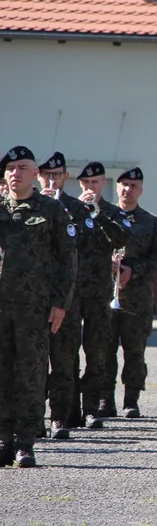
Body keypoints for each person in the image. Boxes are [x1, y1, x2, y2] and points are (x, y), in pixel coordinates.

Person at [0, 146, 76, 467]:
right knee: (2, 373)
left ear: (35, 174)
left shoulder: (52, 210)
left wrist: (61, 303)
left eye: (22, 167)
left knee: (31, 375)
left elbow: (67, 260)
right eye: (10, 168)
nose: (16, 172)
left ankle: (25, 442)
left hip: (35, 308)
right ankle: (3, 439)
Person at [102, 167, 157, 419]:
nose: (128, 189)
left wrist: (134, 270)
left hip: (138, 299)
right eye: (124, 184)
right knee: (104, 351)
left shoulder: (151, 222)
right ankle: (104, 400)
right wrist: (105, 266)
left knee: (134, 352)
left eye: (133, 185)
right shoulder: (103, 216)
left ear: (140, 190)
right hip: (105, 297)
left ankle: (131, 400)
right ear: (117, 187)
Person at [74, 161, 133, 429]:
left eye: (95, 182)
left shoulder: (110, 212)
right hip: (71, 292)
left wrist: (97, 215)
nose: (90, 187)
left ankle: (91, 408)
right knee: (66, 352)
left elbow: (122, 239)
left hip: (98, 292)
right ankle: (67, 407)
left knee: (97, 351)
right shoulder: (66, 209)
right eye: (85, 183)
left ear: (103, 184)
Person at [36, 151, 87, 437]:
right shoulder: (32, 205)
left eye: (57, 175)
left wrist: (59, 210)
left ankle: (59, 417)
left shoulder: (76, 209)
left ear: (66, 177)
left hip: (66, 297)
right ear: (38, 176)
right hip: (34, 296)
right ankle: (35, 418)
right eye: (47, 175)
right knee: (34, 362)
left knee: (64, 360)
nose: (51, 180)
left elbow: (83, 244)